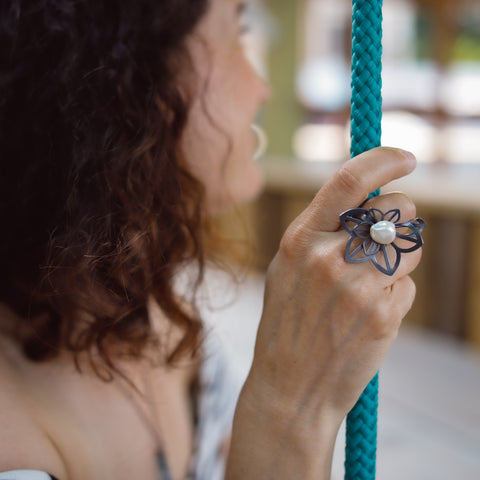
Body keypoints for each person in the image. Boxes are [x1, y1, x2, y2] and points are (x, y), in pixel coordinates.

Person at [0, 0, 422, 479]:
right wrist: (289, 407)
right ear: (129, 78)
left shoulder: (165, 327)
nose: (262, 88)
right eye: (237, 31)